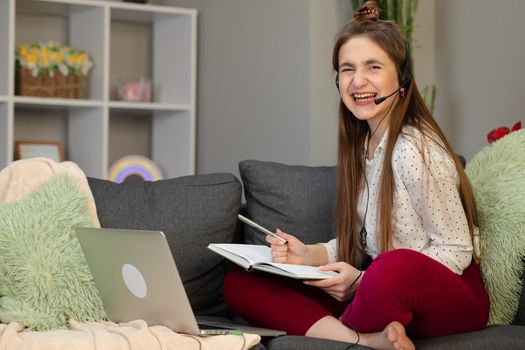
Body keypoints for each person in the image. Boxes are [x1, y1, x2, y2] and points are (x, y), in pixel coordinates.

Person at [223, 2, 489, 349]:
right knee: (239, 282)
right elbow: (369, 241)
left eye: (373, 67)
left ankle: (348, 330)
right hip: (380, 289)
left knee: (390, 267)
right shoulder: (364, 144)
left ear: (403, 78)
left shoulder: (414, 149)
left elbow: (455, 250)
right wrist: (312, 255)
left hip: (447, 295)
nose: (358, 81)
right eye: (347, 69)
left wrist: (365, 280)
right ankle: (366, 339)